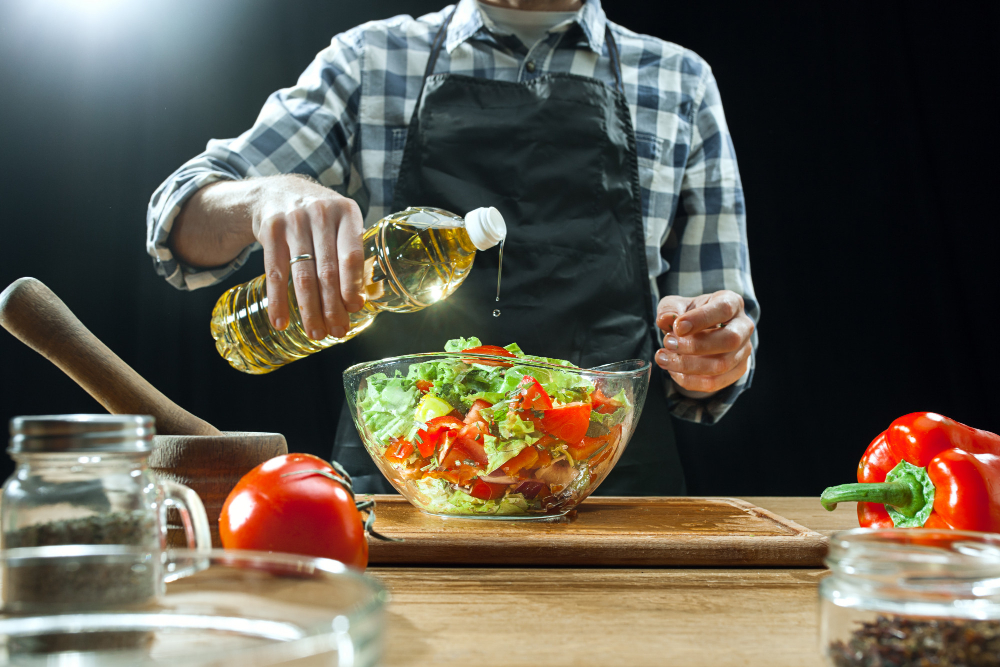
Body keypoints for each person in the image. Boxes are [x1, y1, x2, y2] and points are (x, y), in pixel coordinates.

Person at [146, 0, 759, 495]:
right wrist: (264, 198)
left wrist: (710, 351)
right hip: (407, 481)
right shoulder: (373, 59)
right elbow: (178, 221)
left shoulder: (680, 80)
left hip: (611, 485)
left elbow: (720, 349)